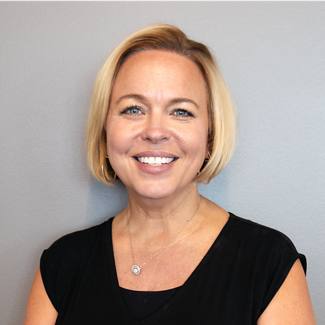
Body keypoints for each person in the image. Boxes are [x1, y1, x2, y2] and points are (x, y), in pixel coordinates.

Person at [24, 23, 316, 325]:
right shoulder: (62, 264)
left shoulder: (268, 263)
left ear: (209, 138)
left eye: (181, 112)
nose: (155, 131)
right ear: (105, 132)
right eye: (133, 109)